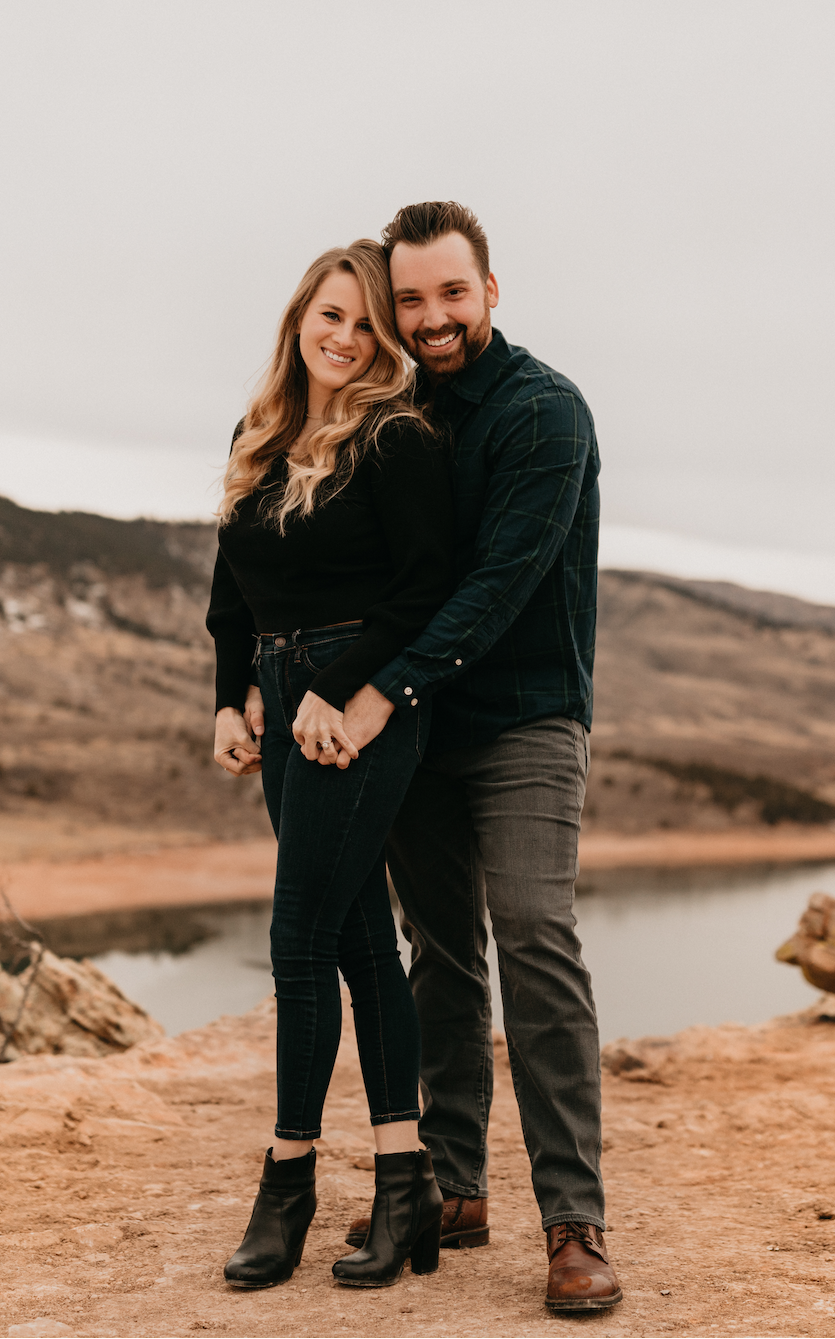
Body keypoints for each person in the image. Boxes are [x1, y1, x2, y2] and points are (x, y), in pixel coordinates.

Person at [329, 202, 621, 1312]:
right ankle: (451, 1185)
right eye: (410, 300)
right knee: (438, 951)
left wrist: (380, 688)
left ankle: (572, 1220)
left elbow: (499, 584)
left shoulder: (545, 414)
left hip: (524, 718)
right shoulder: (389, 414)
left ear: (490, 291)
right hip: (417, 726)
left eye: (452, 293)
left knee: (535, 932)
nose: (432, 316)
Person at [206, 240, 454, 1290]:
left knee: (298, 935)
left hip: (358, 707)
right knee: (352, 938)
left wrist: (333, 685)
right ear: (298, 317)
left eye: (367, 324)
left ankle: (288, 1180)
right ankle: (406, 1184)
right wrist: (230, 692)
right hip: (280, 694)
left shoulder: (396, 439)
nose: (346, 339)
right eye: (331, 316)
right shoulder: (260, 433)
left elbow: (423, 585)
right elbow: (234, 585)